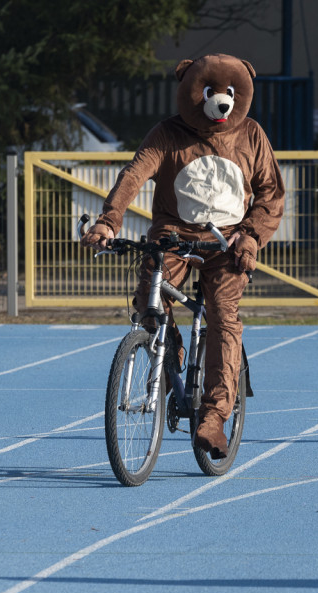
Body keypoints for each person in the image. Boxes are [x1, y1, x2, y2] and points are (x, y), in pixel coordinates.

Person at [80, 54, 284, 459]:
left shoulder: (252, 135)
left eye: (229, 93)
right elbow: (134, 175)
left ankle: (213, 415)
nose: (220, 101)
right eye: (211, 93)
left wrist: (251, 237)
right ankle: (166, 358)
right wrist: (109, 222)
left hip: (227, 242)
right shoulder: (167, 133)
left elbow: (270, 194)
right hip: (172, 235)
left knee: (223, 316)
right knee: (150, 302)